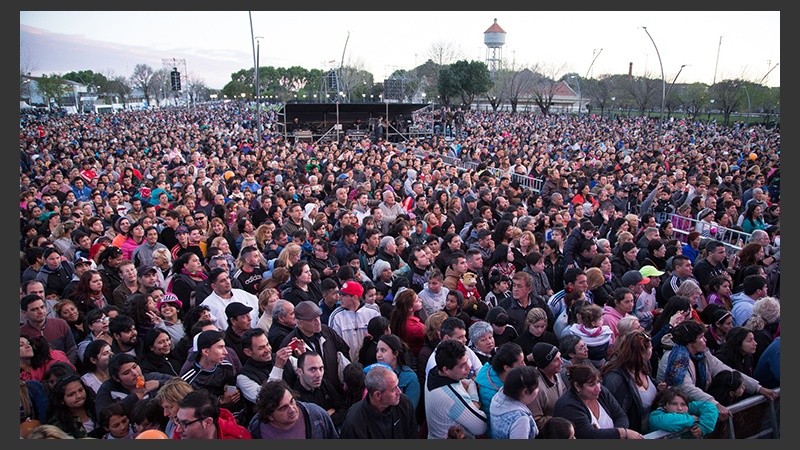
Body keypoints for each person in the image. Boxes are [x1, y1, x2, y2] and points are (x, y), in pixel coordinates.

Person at [656, 320, 778, 421]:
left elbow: (723, 369)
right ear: (690, 342)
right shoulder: (675, 360)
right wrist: (715, 404)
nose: (705, 340)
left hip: (699, 405)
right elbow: (686, 387)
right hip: (680, 411)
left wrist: (758, 388)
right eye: (701, 338)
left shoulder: (703, 353)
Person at [552, 364, 644, 439]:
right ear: (577, 386)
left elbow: (620, 415)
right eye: (591, 385)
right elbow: (590, 435)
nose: (598, 388)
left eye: (598, 382)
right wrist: (623, 432)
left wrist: (618, 435)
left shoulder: (602, 392)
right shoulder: (568, 406)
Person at [423, 339, 488, 439]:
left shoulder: (434, 373)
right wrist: (475, 403)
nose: (469, 367)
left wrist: (471, 386)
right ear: (446, 370)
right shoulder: (451, 396)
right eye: (462, 366)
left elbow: (469, 382)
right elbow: (481, 426)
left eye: (467, 361)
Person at [600, 331, 662, 433]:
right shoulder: (616, 379)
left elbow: (649, 380)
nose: (652, 349)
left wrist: (657, 384)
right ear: (642, 352)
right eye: (650, 347)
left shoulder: (643, 364)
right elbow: (617, 414)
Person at [339, 363, 419, 438]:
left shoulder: (404, 404)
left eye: (397, 386)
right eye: (393, 389)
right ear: (378, 395)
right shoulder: (354, 422)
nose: (399, 392)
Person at [246, 379, 339, 439]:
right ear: (270, 416)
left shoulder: (316, 414)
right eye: (283, 408)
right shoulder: (256, 429)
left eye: (292, 401)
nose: (292, 409)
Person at [95, 352, 173, 418]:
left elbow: (181, 383)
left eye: (135, 367)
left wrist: (160, 384)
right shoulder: (108, 389)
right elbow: (103, 415)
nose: (135, 373)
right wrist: (134, 397)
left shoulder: (152, 377)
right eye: (127, 373)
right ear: (117, 378)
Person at [329, 280, 380, 362]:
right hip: (347, 364)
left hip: (370, 362)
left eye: (344, 295)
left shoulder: (373, 313)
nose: (340, 297)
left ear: (354, 297)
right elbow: (333, 344)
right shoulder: (336, 316)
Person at [200, 267, 260, 332]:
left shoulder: (241, 293)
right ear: (213, 286)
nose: (227, 282)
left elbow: (257, 307)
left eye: (228, 278)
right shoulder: (208, 305)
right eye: (222, 281)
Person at [489, 365, 541, 439]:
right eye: (537, 387)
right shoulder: (521, 420)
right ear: (525, 392)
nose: (538, 390)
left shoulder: (497, 398)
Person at [175, 389, 251, 439]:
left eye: (185, 423)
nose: (178, 430)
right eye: (178, 421)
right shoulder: (181, 435)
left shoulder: (239, 437)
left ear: (208, 423)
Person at [46, 373, 104, 439]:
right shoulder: (58, 424)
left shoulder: (97, 407)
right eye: (71, 394)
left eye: (80, 390)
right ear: (61, 400)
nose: (78, 396)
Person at [526, 342, 569, 430]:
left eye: (560, 357)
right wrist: (562, 419)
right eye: (556, 360)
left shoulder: (557, 374)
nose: (561, 362)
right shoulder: (536, 388)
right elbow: (537, 420)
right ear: (545, 364)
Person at [648, 386, 719, 438]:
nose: (679, 408)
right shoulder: (656, 416)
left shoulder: (688, 408)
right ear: (665, 406)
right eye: (674, 404)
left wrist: (703, 427)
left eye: (683, 404)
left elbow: (710, 407)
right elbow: (668, 422)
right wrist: (692, 419)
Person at [374, 334, 421, 410]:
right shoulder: (374, 374)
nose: (378, 355)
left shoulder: (410, 378)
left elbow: (409, 409)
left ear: (395, 354)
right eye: (377, 350)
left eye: (383, 350)